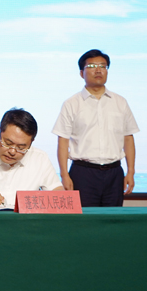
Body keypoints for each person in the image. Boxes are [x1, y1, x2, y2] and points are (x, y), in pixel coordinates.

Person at [52, 49, 139, 207]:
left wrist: (131, 171)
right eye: (92, 66)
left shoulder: (120, 102)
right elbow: (63, 141)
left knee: (113, 219)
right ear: (81, 73)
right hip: (83, 173)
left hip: (114, 173)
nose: (98, 70)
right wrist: (64, 174)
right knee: (84, 219)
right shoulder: (71, 103)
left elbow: (128, 138)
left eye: (103, 66)